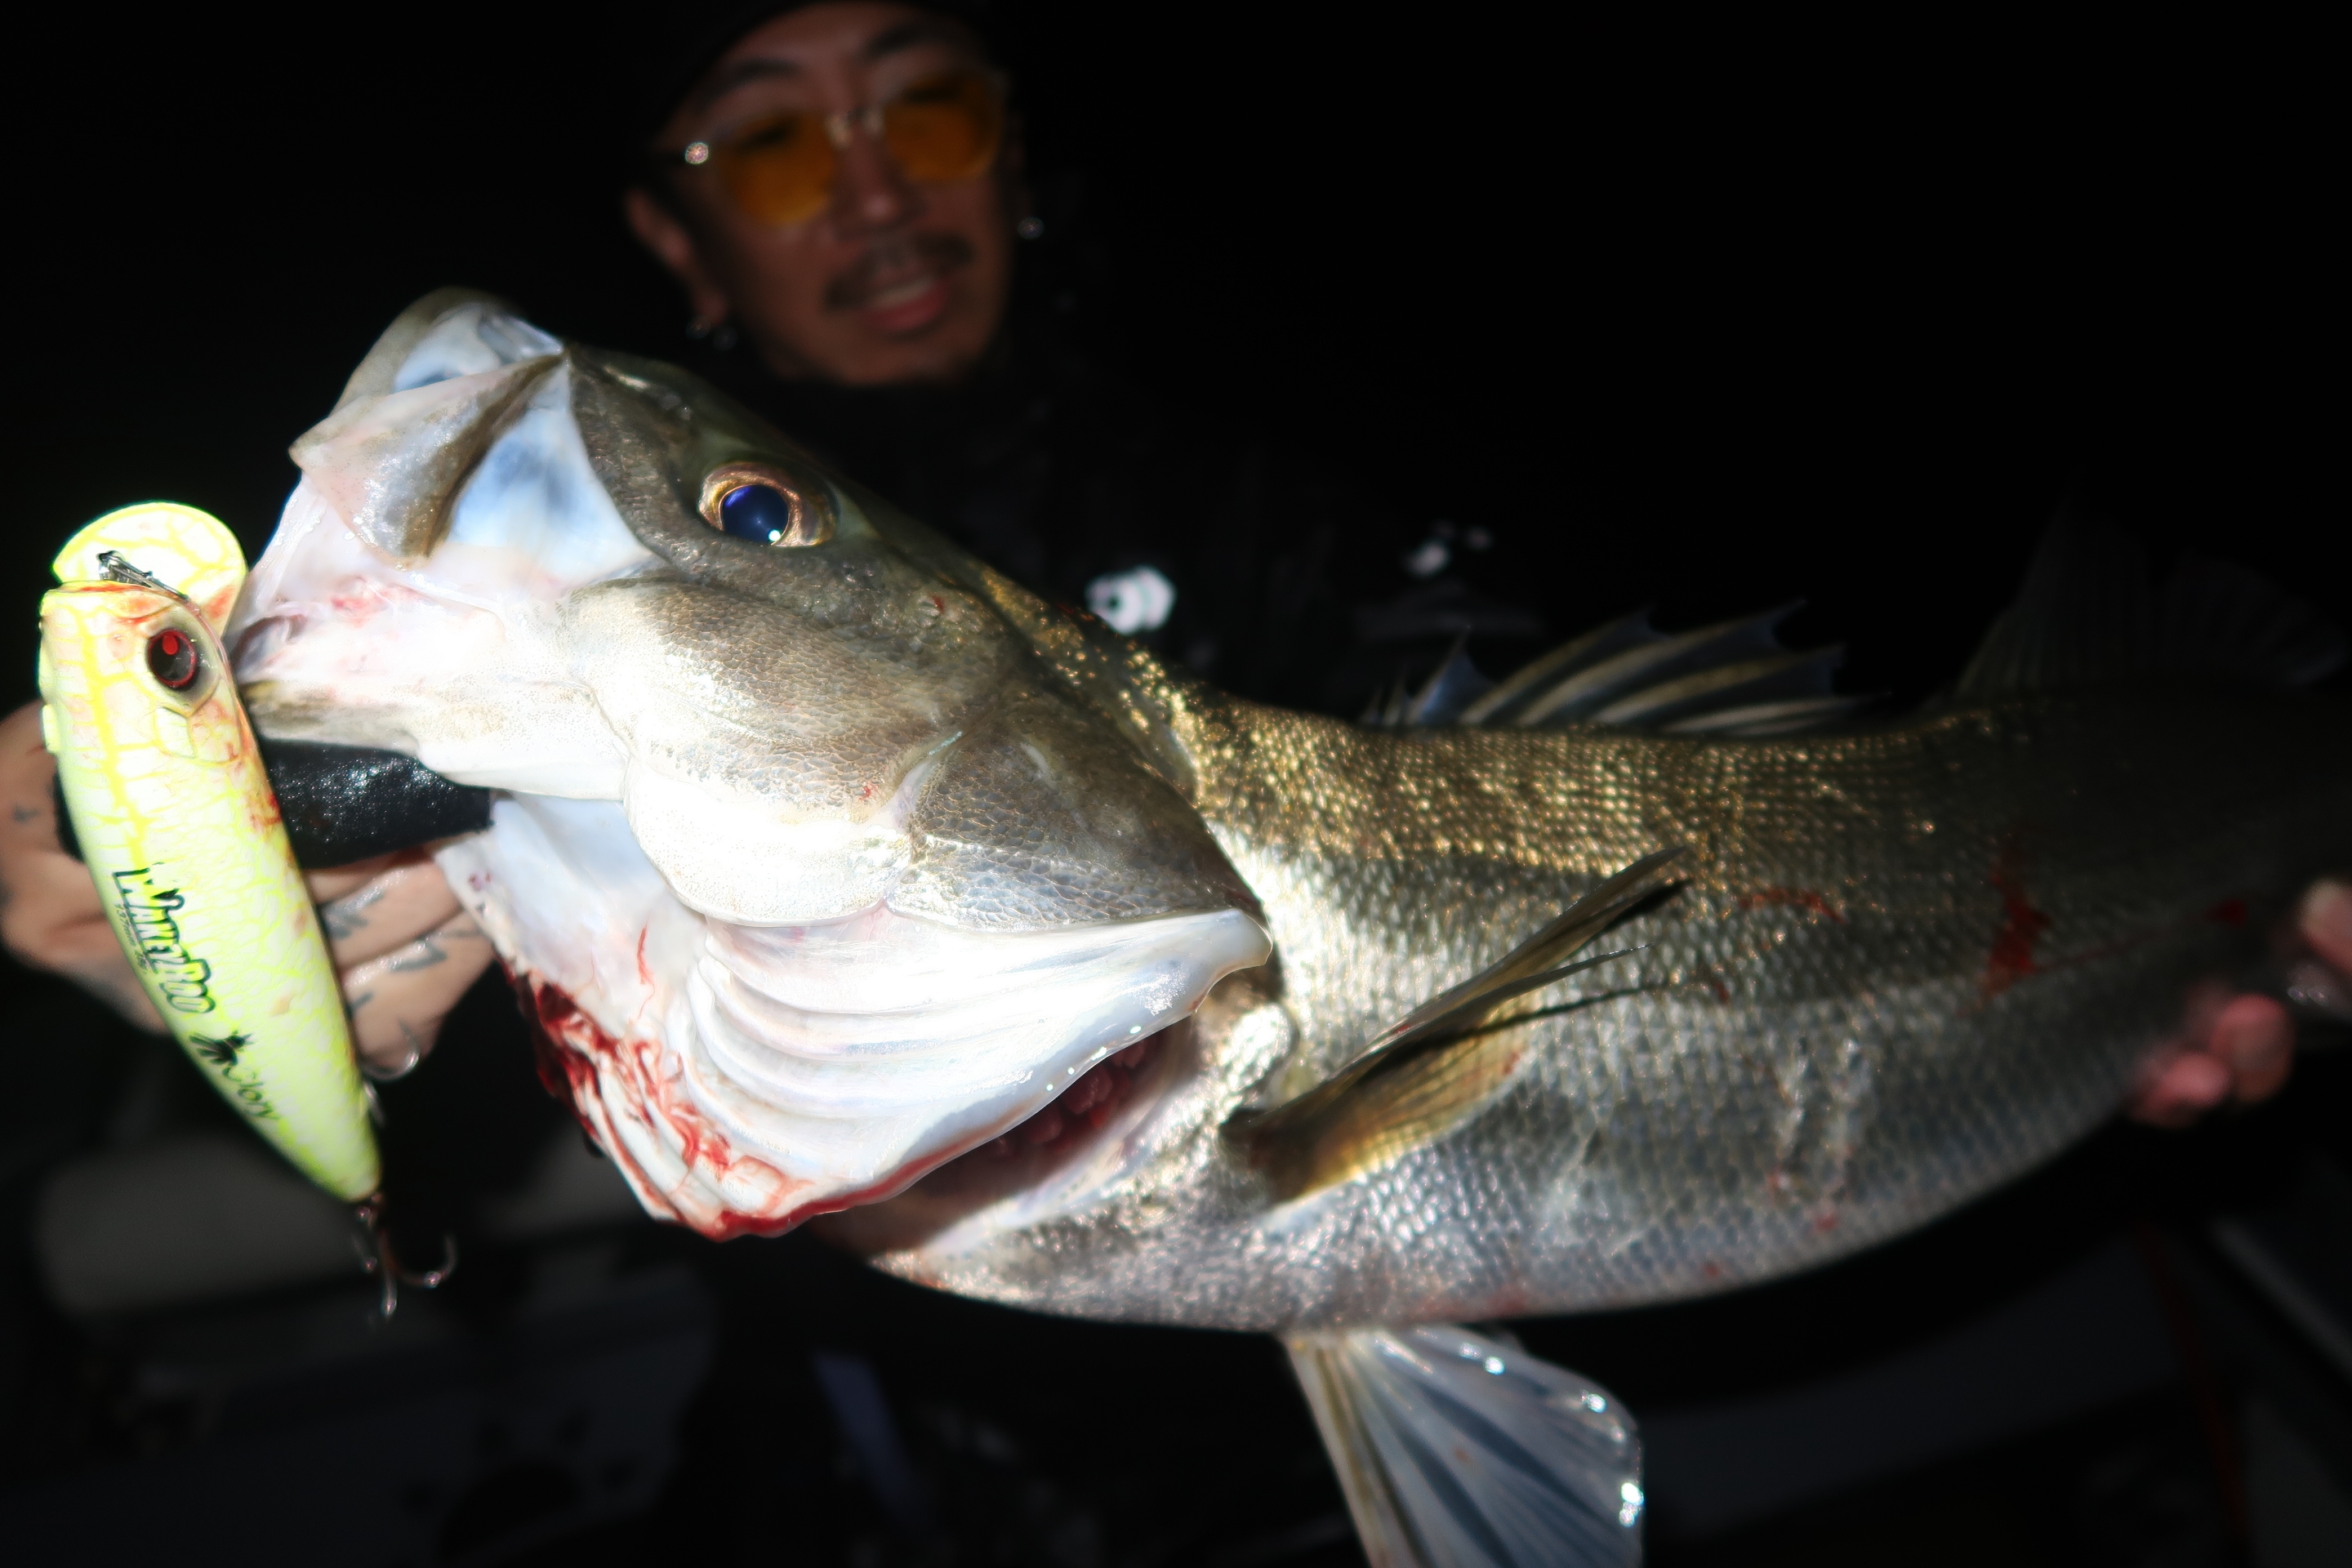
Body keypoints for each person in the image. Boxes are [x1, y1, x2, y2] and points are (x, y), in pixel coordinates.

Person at [1, 0, 2341, 1132]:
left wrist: (2106, 958)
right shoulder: (638, 604)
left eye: (922, 105)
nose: (873, 184)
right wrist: (231, 884)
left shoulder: (1307, 465)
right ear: (675, 234)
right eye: (771, 145)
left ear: (1012, 154)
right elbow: (553, 893)